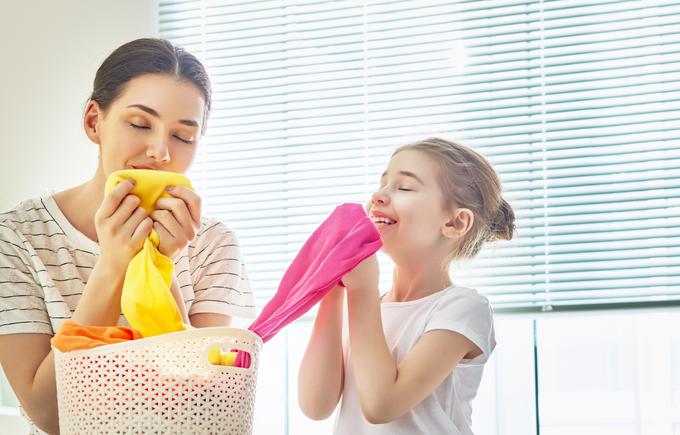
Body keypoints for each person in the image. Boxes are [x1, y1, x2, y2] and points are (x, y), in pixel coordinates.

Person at [0, 38, 257, 434]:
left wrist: (160, 266)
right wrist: (114, 265)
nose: (160, 152)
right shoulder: (18, 238)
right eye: (140, 124)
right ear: (93, 122)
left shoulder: (213, 244)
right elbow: (47, 415)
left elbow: (207, 411)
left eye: (183, 136)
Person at [298, 137, 515, 434]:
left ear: (455, 223)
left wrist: (362, 291)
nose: (379, 195)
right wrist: (332, 290)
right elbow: (316, 405)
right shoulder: (366, 307)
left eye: (404, 188)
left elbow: (382, 405)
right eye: (383, 183)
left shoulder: (463, 308)